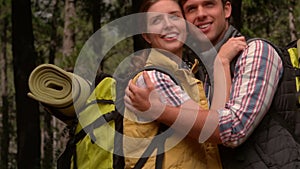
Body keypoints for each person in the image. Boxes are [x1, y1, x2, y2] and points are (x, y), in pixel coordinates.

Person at [124, 0, 296, 169]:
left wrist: (159, 110)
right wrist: (221, 62)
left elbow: (230, 129)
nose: (201, 14)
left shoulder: (256, 51)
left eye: (209, 4)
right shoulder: (156, 78)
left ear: (227, 9)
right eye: (191, 9)